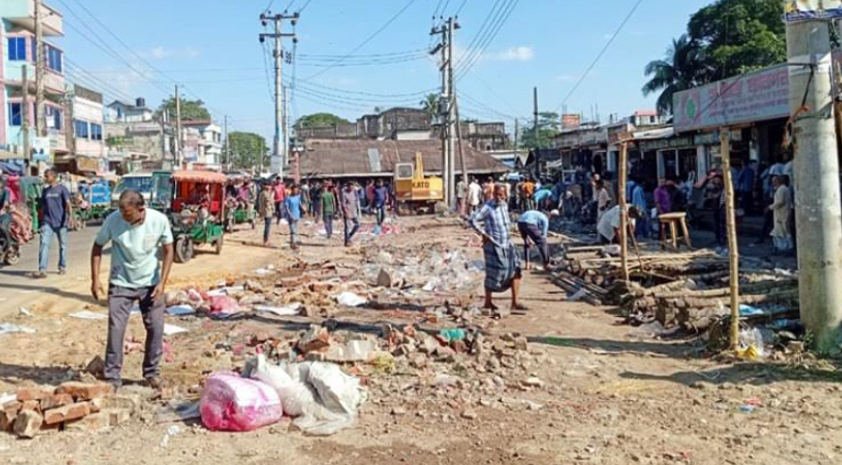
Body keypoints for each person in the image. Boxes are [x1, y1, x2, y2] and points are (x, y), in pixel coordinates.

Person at [91, 190, 174, 391]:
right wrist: (95, 279)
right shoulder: (113, 221)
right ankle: (112, 377)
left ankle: (151, 373)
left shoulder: (158, 220)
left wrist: (162, 282)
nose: (124, 217)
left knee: (156, 328)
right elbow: (97, 247)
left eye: (128, 214)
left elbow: (169, 249)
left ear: (140, 209)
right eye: (121, 212)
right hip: (121, 282)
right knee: (116, 330)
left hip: (150, 284)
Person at [471, 184, 524, 313]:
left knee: (516, 270)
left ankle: (515, 302)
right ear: (493, 194)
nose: (498, 197)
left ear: (505, 195)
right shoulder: (488, 207)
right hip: (494, 245)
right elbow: (473, 220)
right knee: (494, 273)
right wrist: (484, 234)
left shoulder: (505, 205)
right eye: (496, 195)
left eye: (501, 195)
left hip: (507, 243)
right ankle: (488, 302)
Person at [33, 169, 73, 278]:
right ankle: (42, 269)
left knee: (63, 245)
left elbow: (68, 204)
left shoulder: (62, 189)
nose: (45, 178)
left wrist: (70, 217)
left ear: (53, 177)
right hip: (47, 221)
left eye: (47, 176)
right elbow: (42, 206)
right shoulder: (45, 191)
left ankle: (62, 266)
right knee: (44, 244)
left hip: (61, 222)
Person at [769, 175, 793, 253]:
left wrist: (770, 207)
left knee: (785, 231)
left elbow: (780, 202)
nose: (773, 183)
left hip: (782, 213)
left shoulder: (782, 189)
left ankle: (788, 248)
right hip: (780, 213)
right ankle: (780, 248)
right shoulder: (781, 189)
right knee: (780, 231)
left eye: (775, 181)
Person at [654, 179, 673, 244]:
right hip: (662, 211)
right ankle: (661, 240)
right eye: (661, 182)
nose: (662, 183)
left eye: (663, 182)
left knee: (667, 226)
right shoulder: (657, 191)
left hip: (667, 210)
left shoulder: (665, 190)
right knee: (662, 226)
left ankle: (666, 239)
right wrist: (660, 211)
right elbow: (657, 202)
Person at [341, 182, 360, 247]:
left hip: (354, 212)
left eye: (353, 186)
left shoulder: (354, 192)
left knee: (357, 225)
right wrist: (346, 212)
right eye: (351, 186)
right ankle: (347, 242)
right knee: (347, 228)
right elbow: (343, 205)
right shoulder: (344, 193)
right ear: (348, 186)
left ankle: (349, 236)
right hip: (347, 212)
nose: (352, 188)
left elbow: (356, 201)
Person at [285, 185, 303, 249]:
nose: (295, 191)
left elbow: (300, 204)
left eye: (296, 190)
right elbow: (287, 208)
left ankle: (292, 242)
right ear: (292, 190)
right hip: (291, 216)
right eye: (294, 190)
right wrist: (290, 215)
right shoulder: (288, 198)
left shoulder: (298, 197)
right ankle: (293, 243)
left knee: (295, 229)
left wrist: (303, 208)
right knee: (293, 230)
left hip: (297, 215)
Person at [258, 182, 275, 247]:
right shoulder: (266, 194)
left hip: (264, 211)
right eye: (268, 185)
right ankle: (266, 241)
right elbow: (268, 202)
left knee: (267, 226)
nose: (269, 187)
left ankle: (266, 240)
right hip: (268, 211)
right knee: (267, 226)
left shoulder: (261, 193)